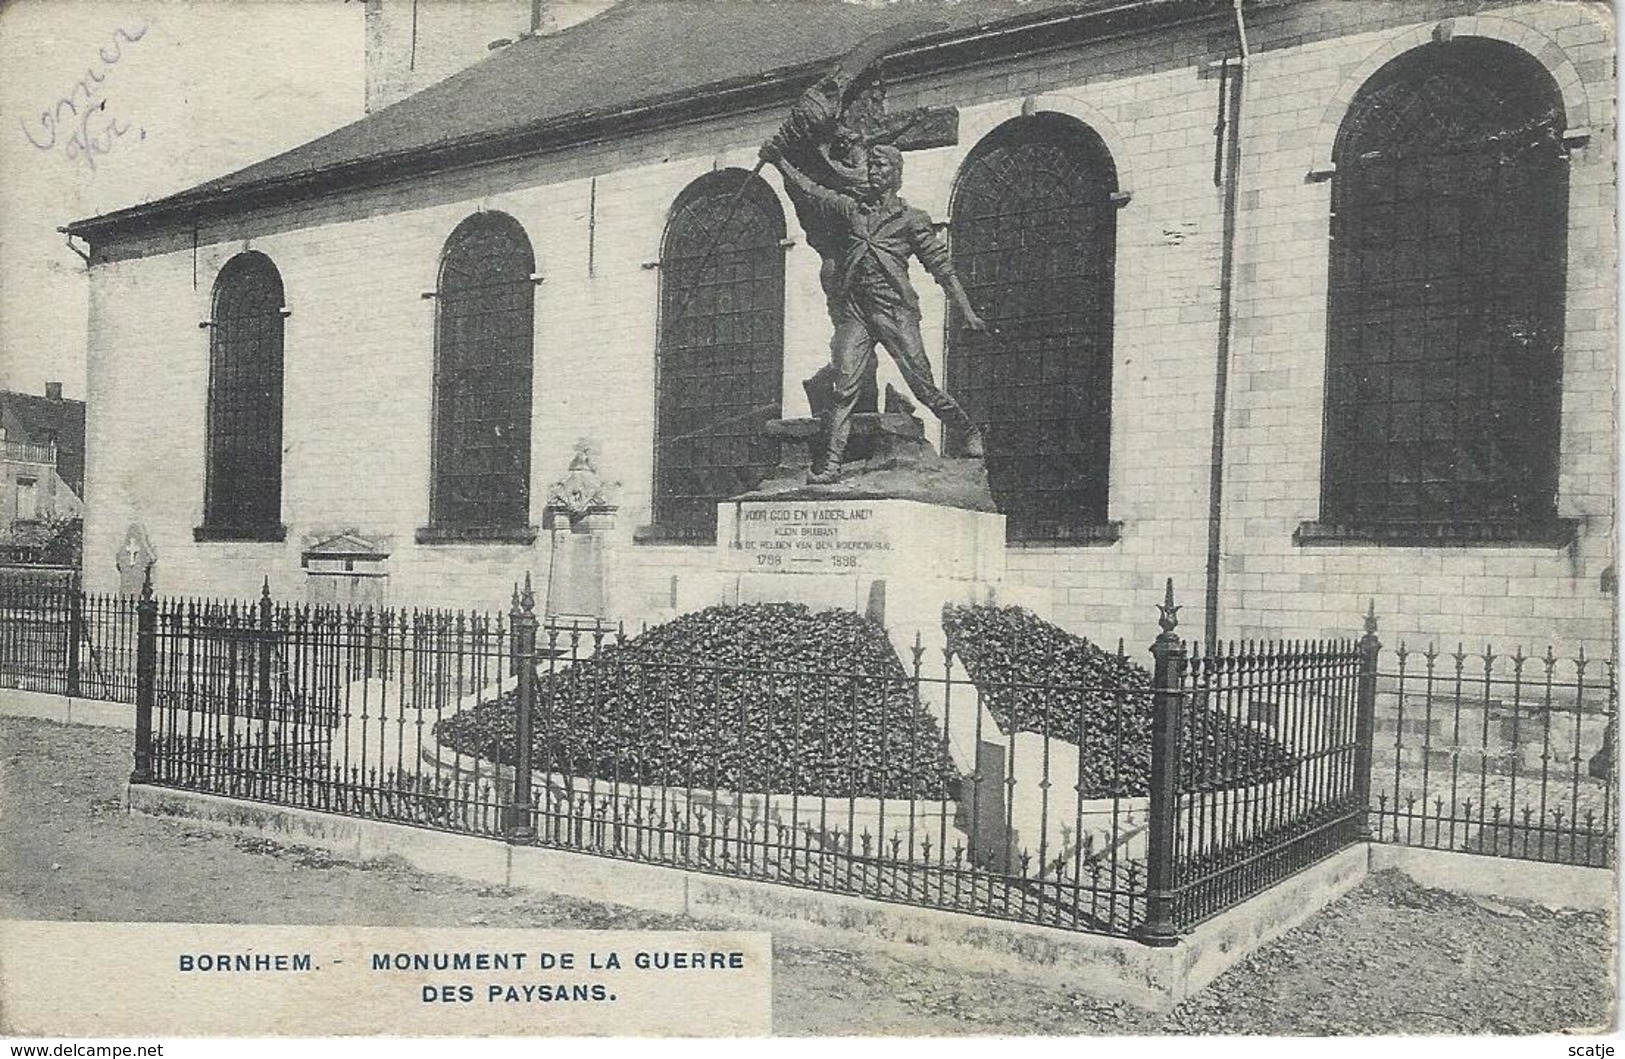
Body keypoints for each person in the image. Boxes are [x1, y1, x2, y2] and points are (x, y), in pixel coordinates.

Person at [760, 137, 989, 484]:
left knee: (922, 385)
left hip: (894, 310)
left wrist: (968, 313)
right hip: (857, 312)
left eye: (880, 166)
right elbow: (811, 191)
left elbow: (943, 269)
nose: (872, 171)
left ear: (896, 174)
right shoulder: (852, 210)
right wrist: (779, 163)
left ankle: (968, 430)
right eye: (871, 165)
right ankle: (832, 465)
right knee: (844, 386)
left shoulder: (911, 220)